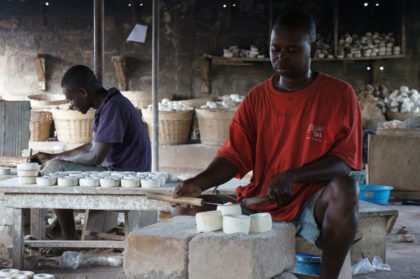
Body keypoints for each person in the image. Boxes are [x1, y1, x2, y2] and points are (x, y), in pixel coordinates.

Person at [172, 9, 362, 279]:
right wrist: (198, 182)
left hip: (314, 203)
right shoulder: (256, 99)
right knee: (183, 206)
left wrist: (293, 177)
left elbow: (345, 161)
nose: (281, 57)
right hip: (262, 199)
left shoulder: (339, 94)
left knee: (347, 189)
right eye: (275, 49)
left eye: (292, 50)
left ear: (314, 50)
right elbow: (234, 156)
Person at [29, 65, 151, 240]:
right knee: (55, 163)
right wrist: (53, 156)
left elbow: (95, 157)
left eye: (71, 99)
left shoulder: (114, 107)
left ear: (83, 92)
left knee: (53, 170)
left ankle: (67, 235)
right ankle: (60, 224)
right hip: (118, 169)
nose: (71, 105)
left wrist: (55, 162)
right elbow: (92, 146)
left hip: (128, 176)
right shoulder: (107, 104)